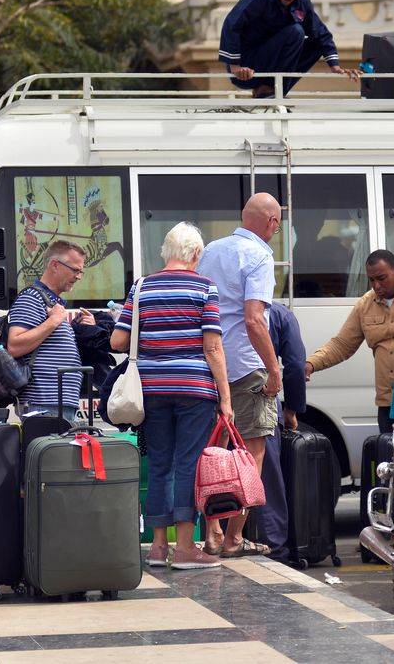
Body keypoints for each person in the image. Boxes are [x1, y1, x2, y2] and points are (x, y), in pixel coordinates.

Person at [110, 223, 230, 570]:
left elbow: (117, 342)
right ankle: (185, 548)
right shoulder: (205, 288)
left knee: (160, 463)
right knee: (188, 464)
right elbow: (213, 347)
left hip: (152, 390)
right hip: (194, 389)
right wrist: (225, 397)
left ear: (166, 252)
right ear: (195, 254)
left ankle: (158, 547)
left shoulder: (142, 287)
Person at [197, 192, 283, 557]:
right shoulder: (260, 255)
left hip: (207, 366)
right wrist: (275, 368)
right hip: (247, 369)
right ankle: (233, 537)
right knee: (251, 453)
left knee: (209, 452)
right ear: (273, 223)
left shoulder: (210, 250)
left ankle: (212, 532)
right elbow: (254, 320)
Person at [305, 250, 394, 434]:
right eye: (371, 280)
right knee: (390, 458)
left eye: (382, 278)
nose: (377, 285)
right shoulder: (366, 304)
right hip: (389, 403)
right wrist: (311, 364)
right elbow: (342, 344)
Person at [219, 0, 360, 98]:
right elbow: (232, 23)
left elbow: (321, 33)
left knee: (315, 42)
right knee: (296, 32)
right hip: (246, 67)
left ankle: (273, 90)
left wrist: (334, 66)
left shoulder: (303, 1)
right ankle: (265, 88)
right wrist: (235, 66)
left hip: (273, 64)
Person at [6, 240, 95, 419]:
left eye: (81, 272)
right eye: (75, 270)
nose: (78, 276)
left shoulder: (51, 302)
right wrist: (53, 321)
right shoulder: (31, 298)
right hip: (43, 403)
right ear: (55, 265)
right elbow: (14, 345)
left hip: (57, 403)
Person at [250, 301, 307, 561]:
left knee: (224, 470)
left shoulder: (221, 306)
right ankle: (274, 548)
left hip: (222, 397)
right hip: (262, 396)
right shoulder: (280, 314)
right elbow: (295, 364)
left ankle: (224, 538)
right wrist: (292, 409)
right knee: (267, 475)